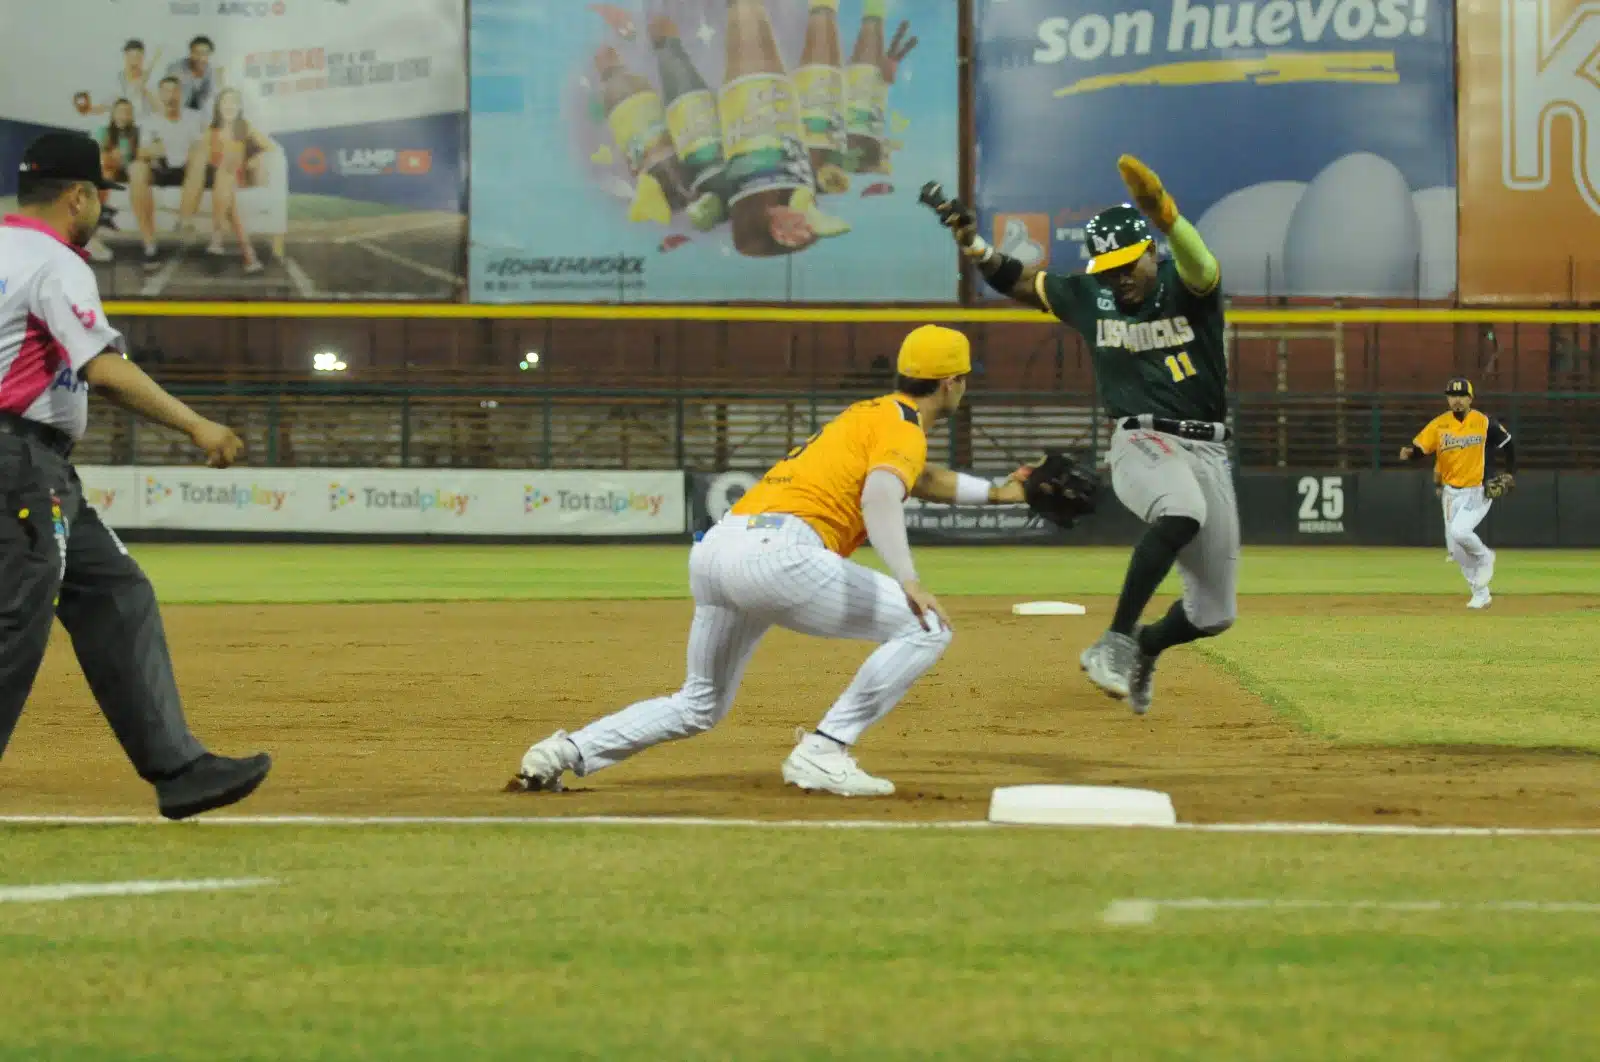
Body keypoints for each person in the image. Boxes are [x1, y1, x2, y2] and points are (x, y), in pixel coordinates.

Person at [513, 325, 1028, 796]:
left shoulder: (869, 415)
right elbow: (880, 496)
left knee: (699, 704)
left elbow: (923, 479)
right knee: (926, 627)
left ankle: (562, 752)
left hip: (720, 548)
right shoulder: (904, 429)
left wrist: (1005, 493)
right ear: (953, 383)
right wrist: (910, 580)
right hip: (779, 555)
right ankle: (825, 750)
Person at [0, 131, 271, 819]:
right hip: (19, 463)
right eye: (101, 198)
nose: (102, 210)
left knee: (116, 593)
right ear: (79, 196)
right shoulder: (54, 262)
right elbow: (103, 368)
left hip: (34, 467)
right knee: (14, 623)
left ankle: (177, 767)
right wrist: (197, 425)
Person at [935, 156, 1238, 715]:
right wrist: (976, 247)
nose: (1120, 277)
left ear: (1151, 251)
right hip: (1142, 440)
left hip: (1210, 447)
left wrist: (1168, 216)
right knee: (1180, 511)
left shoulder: (1185, 285)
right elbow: (1019, 279)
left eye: (1129, 264)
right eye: (1108, 268)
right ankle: (1116, 641)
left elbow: (1201, 262)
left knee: (1214, 614)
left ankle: (1146, 645)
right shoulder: (1091, 297)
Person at [1400, 377, 1516, 608]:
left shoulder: (1484, 422)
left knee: (1460, 531)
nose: (1457, 400)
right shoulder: (1439, 424)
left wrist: (1511, 472)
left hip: (1478, 489)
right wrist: (1410, 454)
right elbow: (1422, 449)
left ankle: (1485, 556)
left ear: (1471, 399)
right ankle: (1480, 593)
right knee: (1456, 549)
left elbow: (1509, 444)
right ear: (1447, 399)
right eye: (1453, 396)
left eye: (1462, 395)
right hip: (1451, 493)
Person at [128, 76, 208, 270]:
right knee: (137, 168)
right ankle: (149, 245)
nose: (171, 96)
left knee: (199, 156)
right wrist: (151, 151)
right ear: (160, 95)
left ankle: (185, 219)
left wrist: (194, 151)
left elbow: (201, 145)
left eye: (175, 91)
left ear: (181, 94)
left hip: (186, 170)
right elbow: (140, 153)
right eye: (166, 91)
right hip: (160, 168)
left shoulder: (194, 117)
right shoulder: (150, 121)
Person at [204, 87, 275, 273]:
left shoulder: (245, 127)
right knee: (230, 202)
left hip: (239, 175)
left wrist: (255, 158)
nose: (229, 106)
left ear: (239, 107)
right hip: (221, 179)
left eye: (234, 102)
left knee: (227, 174)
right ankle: (249, 256)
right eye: (225, 102)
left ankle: (217, 237)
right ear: (218, 106)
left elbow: (270, 147)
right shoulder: (210, 131)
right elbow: (204, 159)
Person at [166, 35, 222, 114]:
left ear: (209, 55)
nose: (200, 58)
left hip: (200, 116)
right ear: (190, 52)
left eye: (204, 54)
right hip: (177, 114)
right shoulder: (176, 69)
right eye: (196, 52)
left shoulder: (211, 70)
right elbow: (167, 97)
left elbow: (214, 97)